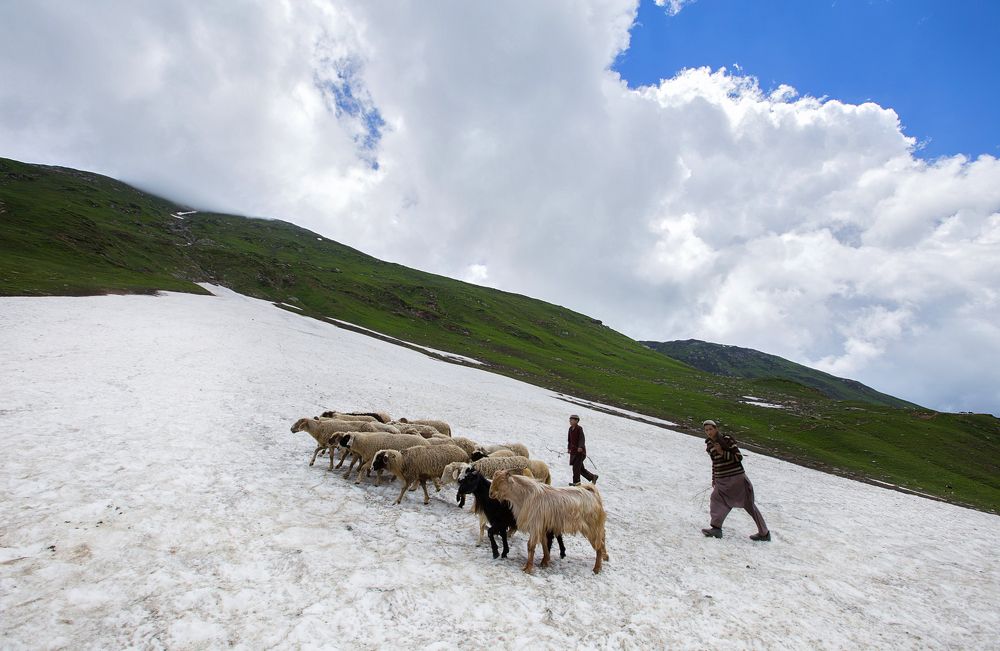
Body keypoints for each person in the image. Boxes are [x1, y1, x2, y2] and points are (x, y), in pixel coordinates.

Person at [701, 419, 770, 542]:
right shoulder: (709, 445)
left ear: (716, 428)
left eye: (711, 429)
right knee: (716, 500)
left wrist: (722, 452)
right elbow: (714, 463)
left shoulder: (726, 439)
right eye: (706, 430)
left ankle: (764, 533)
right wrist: (714, 478)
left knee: (749, 505)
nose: (709, 432)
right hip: (722, 479)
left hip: (736, 478)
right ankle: (716, 528)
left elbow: (738, 457)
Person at [567, 415, 598, 486]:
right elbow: (569, 440)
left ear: (576, 421)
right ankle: (593, 477)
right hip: (574, 452)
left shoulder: (579, 429)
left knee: (576, 468)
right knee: (580, 469)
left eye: (572, 420)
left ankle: (576, 483)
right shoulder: (570, 429)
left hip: (580, 453)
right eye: (570, 420)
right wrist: (569, 448)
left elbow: (582, 439)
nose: (570, 421)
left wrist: (580, 447)